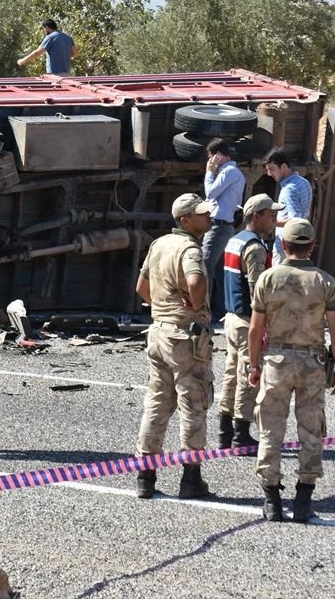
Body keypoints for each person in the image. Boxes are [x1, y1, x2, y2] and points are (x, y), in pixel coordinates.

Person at [247, 219, 335, 523]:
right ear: (312, 246)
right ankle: (303, 500)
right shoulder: (325, 281)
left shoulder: (268, 278)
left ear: (284, 245)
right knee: (312, 431)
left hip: (276, 361)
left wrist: (254, 364)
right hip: (312, 363)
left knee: (270, 431)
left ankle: (272, 500)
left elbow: (255, 329)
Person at [134, 193, 215, 500]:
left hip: (158, 332)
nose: (208, 217)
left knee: (157, 402)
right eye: (202, 214)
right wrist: (194, 304)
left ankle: (145, 477)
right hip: (185, 337)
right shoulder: (190, 248)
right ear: (185, 220)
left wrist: (163, 307)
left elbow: (142, 288)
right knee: (193, 403)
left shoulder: (159, 244)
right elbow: (195, 283)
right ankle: (191, 479)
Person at [217, 193, 282, 449]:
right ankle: (240, 434)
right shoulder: (255, 247)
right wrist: (265, 324)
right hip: (247, 320)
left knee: (231, 374)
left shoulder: (235, 240)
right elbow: (258, 291)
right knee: (249, 375)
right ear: (256, 216)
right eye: (270, 214)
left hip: (232, 317)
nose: (274, 219)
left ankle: (225, 431)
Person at [202, 138, 246, 321]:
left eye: (211, 157)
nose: (210, 161)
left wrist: (209, 172)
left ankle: (203, 310)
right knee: (220, 271)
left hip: (218, 226)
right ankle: (220, 311)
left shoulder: (229, 172)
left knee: (205, 266)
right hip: (223, 226)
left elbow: (210, 193)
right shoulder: (233, 173)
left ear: (218, 156)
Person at [263, 147, 313, 264]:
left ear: (284, 167)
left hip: (285, 247)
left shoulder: (289, 189)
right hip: (298, 245)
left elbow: (295, 220)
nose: (269, 174)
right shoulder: (304, 182)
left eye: (272, 169)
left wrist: (272, 222)